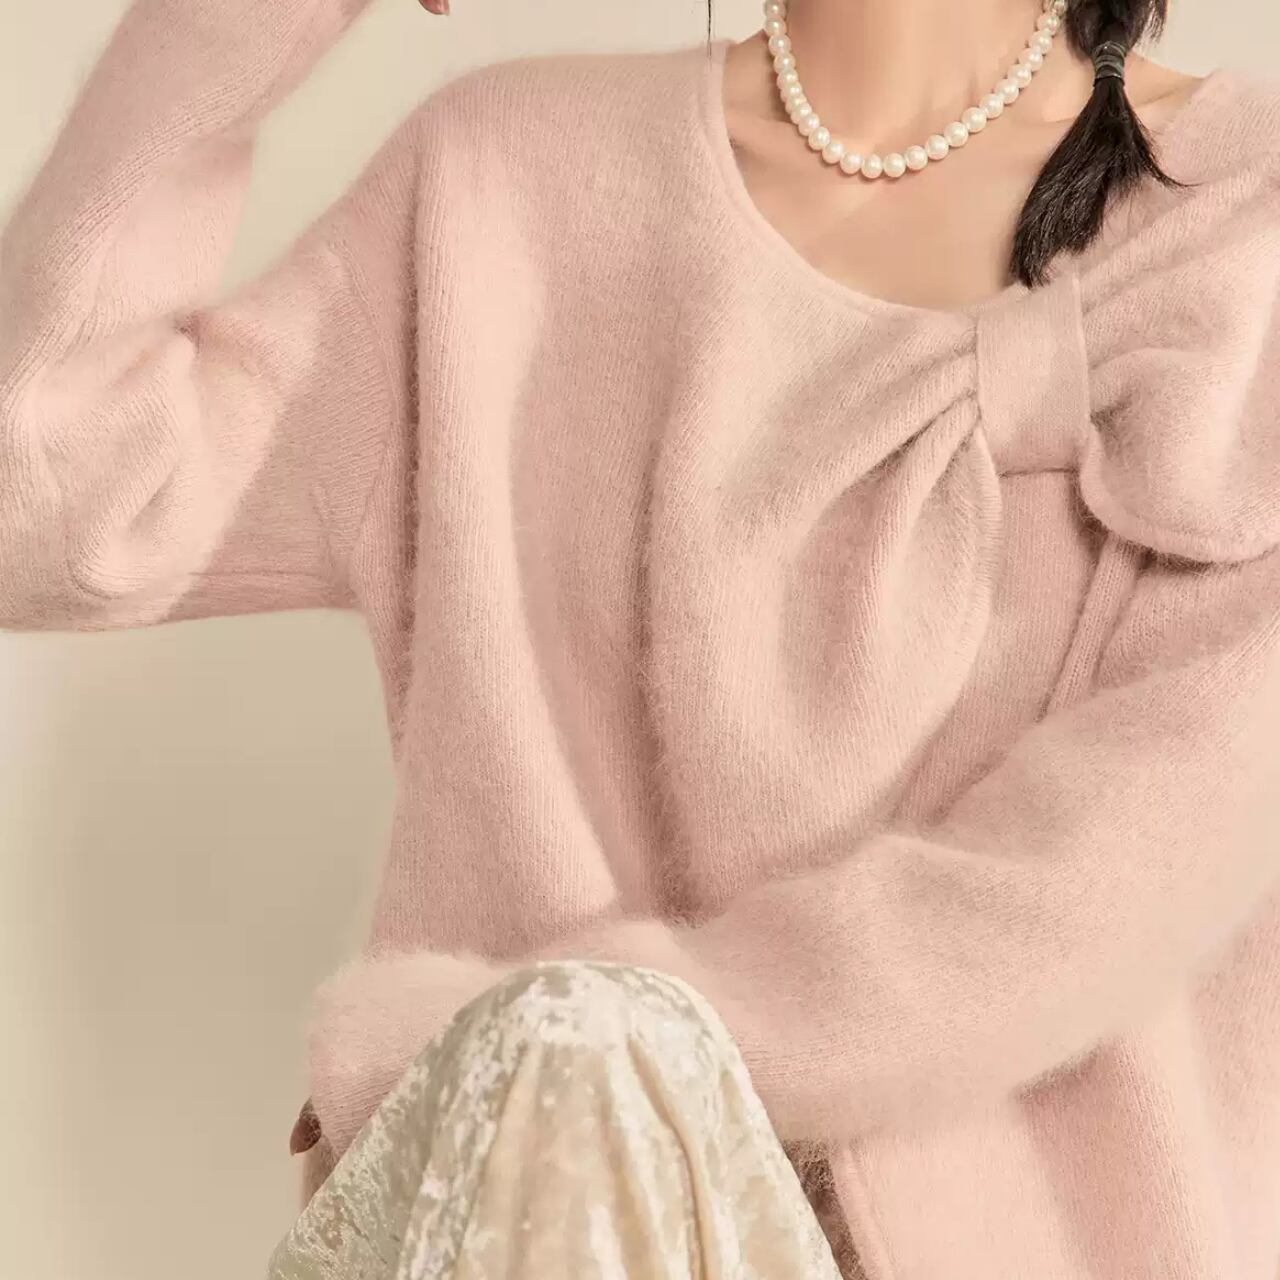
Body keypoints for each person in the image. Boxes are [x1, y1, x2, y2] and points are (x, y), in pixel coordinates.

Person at [2, 0, 1278, 1275]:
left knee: (568, 1055)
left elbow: (1090, 887)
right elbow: (48, 505)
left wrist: (494, 1036)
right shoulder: (501, 184)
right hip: (521, 1224)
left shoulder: (1242, 220)